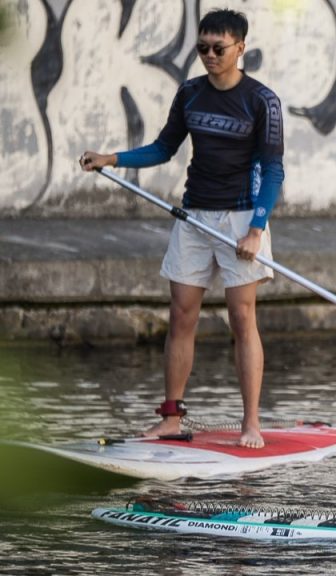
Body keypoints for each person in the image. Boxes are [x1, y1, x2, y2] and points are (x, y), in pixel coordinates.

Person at [78, 9, 284, 449]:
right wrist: (111, 159)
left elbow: (273, 170)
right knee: (181, 315)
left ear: (240, 48)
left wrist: (256, 229)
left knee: (242, 318)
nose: (209, 56)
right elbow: (163, 148)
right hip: (194, 217)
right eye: (202, 48)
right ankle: (171, 417)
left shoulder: (262, 101)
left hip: (241, 218)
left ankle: (251, 422)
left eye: (218, 49)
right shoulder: (190, 93)